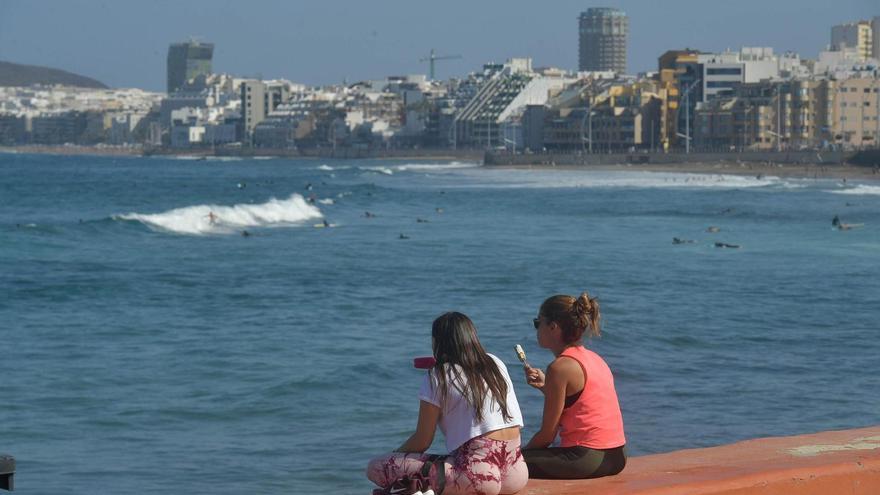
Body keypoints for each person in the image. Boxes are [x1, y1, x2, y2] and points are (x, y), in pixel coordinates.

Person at [367, 312, 528, 495]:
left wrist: (396, 455)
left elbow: (422, 441)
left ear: (437, 342)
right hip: (516, 473)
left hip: (477, 477)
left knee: (376, 467)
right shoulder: (495, 362)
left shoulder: (438, 375)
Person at [521, 292, 626, 480]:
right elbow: (582, 404)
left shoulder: (560, 368)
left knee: (507, 465)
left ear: (553, 327)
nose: (536, 329)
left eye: (538, 323)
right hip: (617, 457)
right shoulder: (595, 359)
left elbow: (547, 436)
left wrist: (519, 456)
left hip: (587, 458)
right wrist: (546, 387)